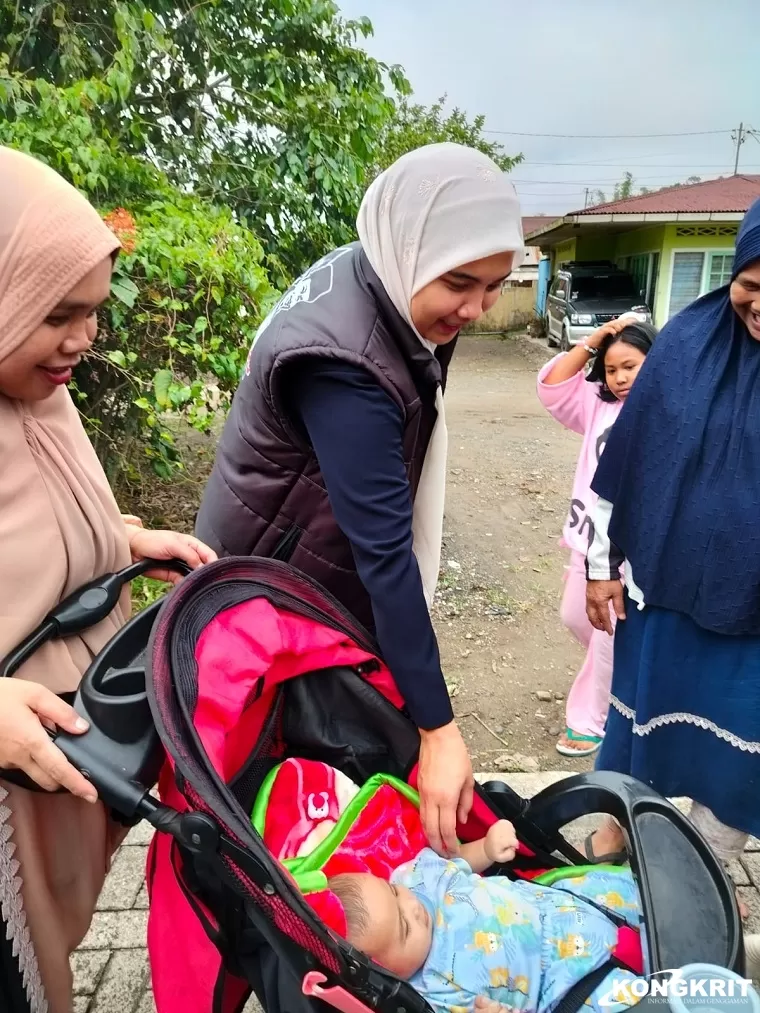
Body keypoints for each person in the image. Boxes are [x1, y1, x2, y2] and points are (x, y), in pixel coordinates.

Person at [195, 143, 525, 856]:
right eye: (461, 282)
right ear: (409, 246)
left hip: (299, 568)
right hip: (268, 602)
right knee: (273, 806)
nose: (476, 308)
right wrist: (439, 730)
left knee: (320, 787)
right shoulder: (343, 363)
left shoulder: (383, 277)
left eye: (497, 284)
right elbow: (382, 555)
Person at [0, 145, 216, 1013]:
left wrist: (124, 538)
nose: (84, 339)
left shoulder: (37, 393)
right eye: (59, 312)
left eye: (92, 311)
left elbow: (38, 517)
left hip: (63, 785)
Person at [583, 198, 760, 885]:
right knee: (643, 732)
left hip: (751, 619)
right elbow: (624, 468)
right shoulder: (683, 345)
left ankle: (703, 875)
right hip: (664, 599)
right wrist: (601, 568)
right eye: (752, 285)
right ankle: (616, 837)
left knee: (740, 759)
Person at [329, 819, 641, 1013]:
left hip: (562, 906)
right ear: (386, 972)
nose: (413, 908)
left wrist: (487, 849)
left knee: (649, 892)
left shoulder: (413, 877)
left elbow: (456, 861)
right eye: (404, 929)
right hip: (563, 984)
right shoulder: (430, 994)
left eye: (394, 894)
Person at [537, 318, 656, 759]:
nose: (621, 378)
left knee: (606, 632)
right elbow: (552, 385)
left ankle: (589, 721)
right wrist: (593, 341)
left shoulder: (668, 408)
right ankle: (633, 677)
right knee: (577, 616)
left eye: (631, 366)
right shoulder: (598, 405)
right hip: (588, 536)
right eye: (611, 369)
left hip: (629, 547)